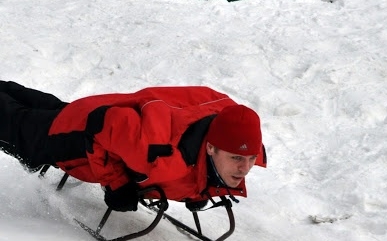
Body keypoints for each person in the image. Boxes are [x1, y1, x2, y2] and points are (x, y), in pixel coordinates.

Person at [0, 81, 266, 212]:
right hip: (78, 136)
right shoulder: (160, 157)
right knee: (18, 128)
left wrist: (201, 188)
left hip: (103, 115)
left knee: (39, 111)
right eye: (236, 159)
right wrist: (117, 184)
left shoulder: (232, 124)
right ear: (211, 148)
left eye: (251, 157)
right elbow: (100, 124)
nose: (245, 168)